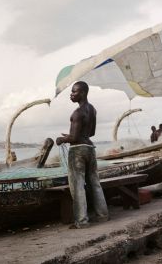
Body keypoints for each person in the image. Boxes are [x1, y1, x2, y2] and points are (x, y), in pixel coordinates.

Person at [56, 81, 109, 229]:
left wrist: (62, 139)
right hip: (90, 148)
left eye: (74, 92)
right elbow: (91, 133)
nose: (71, 94)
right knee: (95, 183)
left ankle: (82, 221)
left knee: (77, 185)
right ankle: (103, 215)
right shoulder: (92, 110)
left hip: (78, 150)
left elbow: (73, 138)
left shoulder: (77, 113)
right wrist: (73, 135)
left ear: (83, 93)